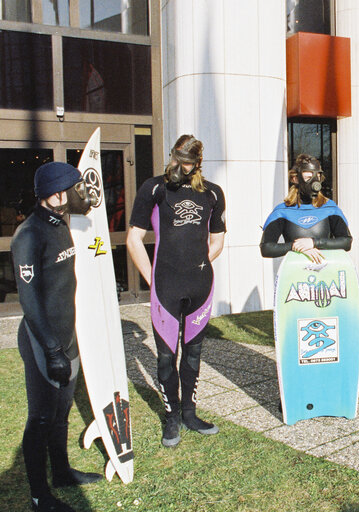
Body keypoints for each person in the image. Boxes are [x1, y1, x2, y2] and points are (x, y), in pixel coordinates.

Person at [11, 162, 101, 512]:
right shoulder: (29, 235)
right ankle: (38, 495)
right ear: (50, 194)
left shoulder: (60, 222)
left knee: (62, 412)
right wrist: (51, 350)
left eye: (71, 189)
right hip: (42, 340)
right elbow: (29, 301)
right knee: (41, 417)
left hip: (67, 336)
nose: (70, 196)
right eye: (64, 190)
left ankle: (62, 473)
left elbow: (84, 202)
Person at [126, 135, 226, 447]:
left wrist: (198, 264)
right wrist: (152, 277)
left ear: (197, 163)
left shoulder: (213, 193)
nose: (180, 167)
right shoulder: (154, 188)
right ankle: (171, 417)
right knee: (167, 356)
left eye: (187, 163)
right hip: (165, 286)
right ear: (172, 156)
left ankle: (189, 413)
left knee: (194, 353)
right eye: (176, 160)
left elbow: (218, 239)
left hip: (200, 286)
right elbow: (133, 238)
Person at [260, 154, 352, 260]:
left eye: (317, 177)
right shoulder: (282, 211)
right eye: (308, 178)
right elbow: (266, 248)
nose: (314, 183)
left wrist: (314, 243)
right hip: (294, 272)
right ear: (295, 179)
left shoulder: (330, 209)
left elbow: (346, 242)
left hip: (325, 272)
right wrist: (297, 247)